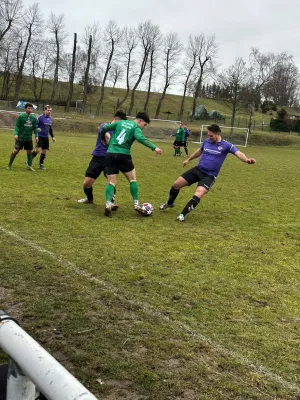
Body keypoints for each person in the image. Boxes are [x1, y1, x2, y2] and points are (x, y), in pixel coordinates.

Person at [160, 124, 256, 222]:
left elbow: (238, 153)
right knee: (176, 184)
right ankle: (170, 203)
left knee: (199, 193)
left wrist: (247, 160)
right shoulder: (207, 141)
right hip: (197, 170)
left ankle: (182, 214)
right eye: (208, 135)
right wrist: (188, 159)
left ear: (218, 134)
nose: (209, 137)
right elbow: (199, 151)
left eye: (211, 136)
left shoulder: (226, 145)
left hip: (209, 176)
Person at [100, 111, 162, 217]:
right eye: (145, 125)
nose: (144, 127)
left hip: (110, 154)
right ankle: (136, 204)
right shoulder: (135, 127)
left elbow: (105, 128)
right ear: (140, 121)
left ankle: (108, 204)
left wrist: (103, 138)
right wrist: (154, 147)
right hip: (123, 155)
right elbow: (140, 138)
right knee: (132, 179)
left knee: (111, 182)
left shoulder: (120, 123)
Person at [78, 110, 127, 206]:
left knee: (111, 181)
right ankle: (89, 199)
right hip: (98, 157)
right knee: (86, 183)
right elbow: (107, 136)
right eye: (121, 123)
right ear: (116, 120)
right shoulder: (104, 125)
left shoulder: (119, 131)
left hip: (110, 159)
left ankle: (111, 203)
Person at [7, 103, 38, 171]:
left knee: (29, 152)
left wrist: (36, 136)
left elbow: (35, 128)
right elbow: (17, 126)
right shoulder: (21, 116)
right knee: (16, 151)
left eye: (31, 108)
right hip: (20, 138)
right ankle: (9, 165)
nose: (30, 109)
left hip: (29, 138)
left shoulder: (33, 118)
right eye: (28, 108)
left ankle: (29, 166)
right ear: (25, 109)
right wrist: (15, 134)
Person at [31, 105, 55, 170]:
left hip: (46, 137)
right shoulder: (40, 117)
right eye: (48, 110)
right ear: (45, 110)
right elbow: (35, 125)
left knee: (44, 151)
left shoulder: (50, 118)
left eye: (50, 110)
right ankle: (29, 160)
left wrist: (53, 137)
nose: (49, 112)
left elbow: (50, 129)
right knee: (38, 150)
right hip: (39, 136)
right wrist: (37, 128)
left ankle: (41, 165)